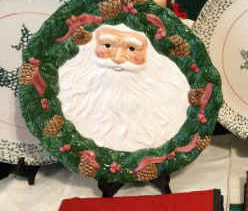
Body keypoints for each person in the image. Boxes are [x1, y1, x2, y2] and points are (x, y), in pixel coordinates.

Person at [57, 24, 190, 152]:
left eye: (131, 48)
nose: (118, 58)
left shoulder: (170, 96)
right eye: (107, 45)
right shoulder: (71, 88)